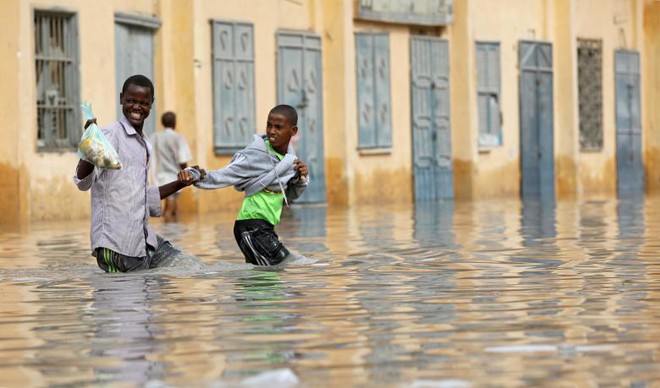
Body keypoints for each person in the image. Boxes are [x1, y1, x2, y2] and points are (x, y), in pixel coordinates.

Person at [74, 74, 202, 273]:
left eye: (143, 103)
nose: (136, 107)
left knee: (190, 267)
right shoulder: (110, 136)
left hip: (141, 240)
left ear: (151, 105)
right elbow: (83, 182)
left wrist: (182, 182)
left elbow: (143, 196)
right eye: (131, 101)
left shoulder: (145, 143)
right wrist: (89, 149)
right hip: (116, 246)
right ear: (121, 99)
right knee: (133, 298)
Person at [182, 104, 309, 266]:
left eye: (278, 127)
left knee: (264, 280)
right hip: (251, 226)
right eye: (269, 125)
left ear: (293, 131)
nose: (271, 131)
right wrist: (195, 176)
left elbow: (289, 196)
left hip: (266, 227)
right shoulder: (254, 155)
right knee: (288, 263)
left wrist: (301, 177)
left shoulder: (290, 160)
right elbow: (225, 174)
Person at [152, 111, 193, 223]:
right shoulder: (178, 138)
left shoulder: (156, 137)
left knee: (172, 208)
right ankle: (170, 235)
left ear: (162, 123)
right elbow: (182, 159)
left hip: (161, 175)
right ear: (174, 123)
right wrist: (188, 172)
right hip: (175, 176)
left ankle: (172, 233)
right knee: (170, 211)